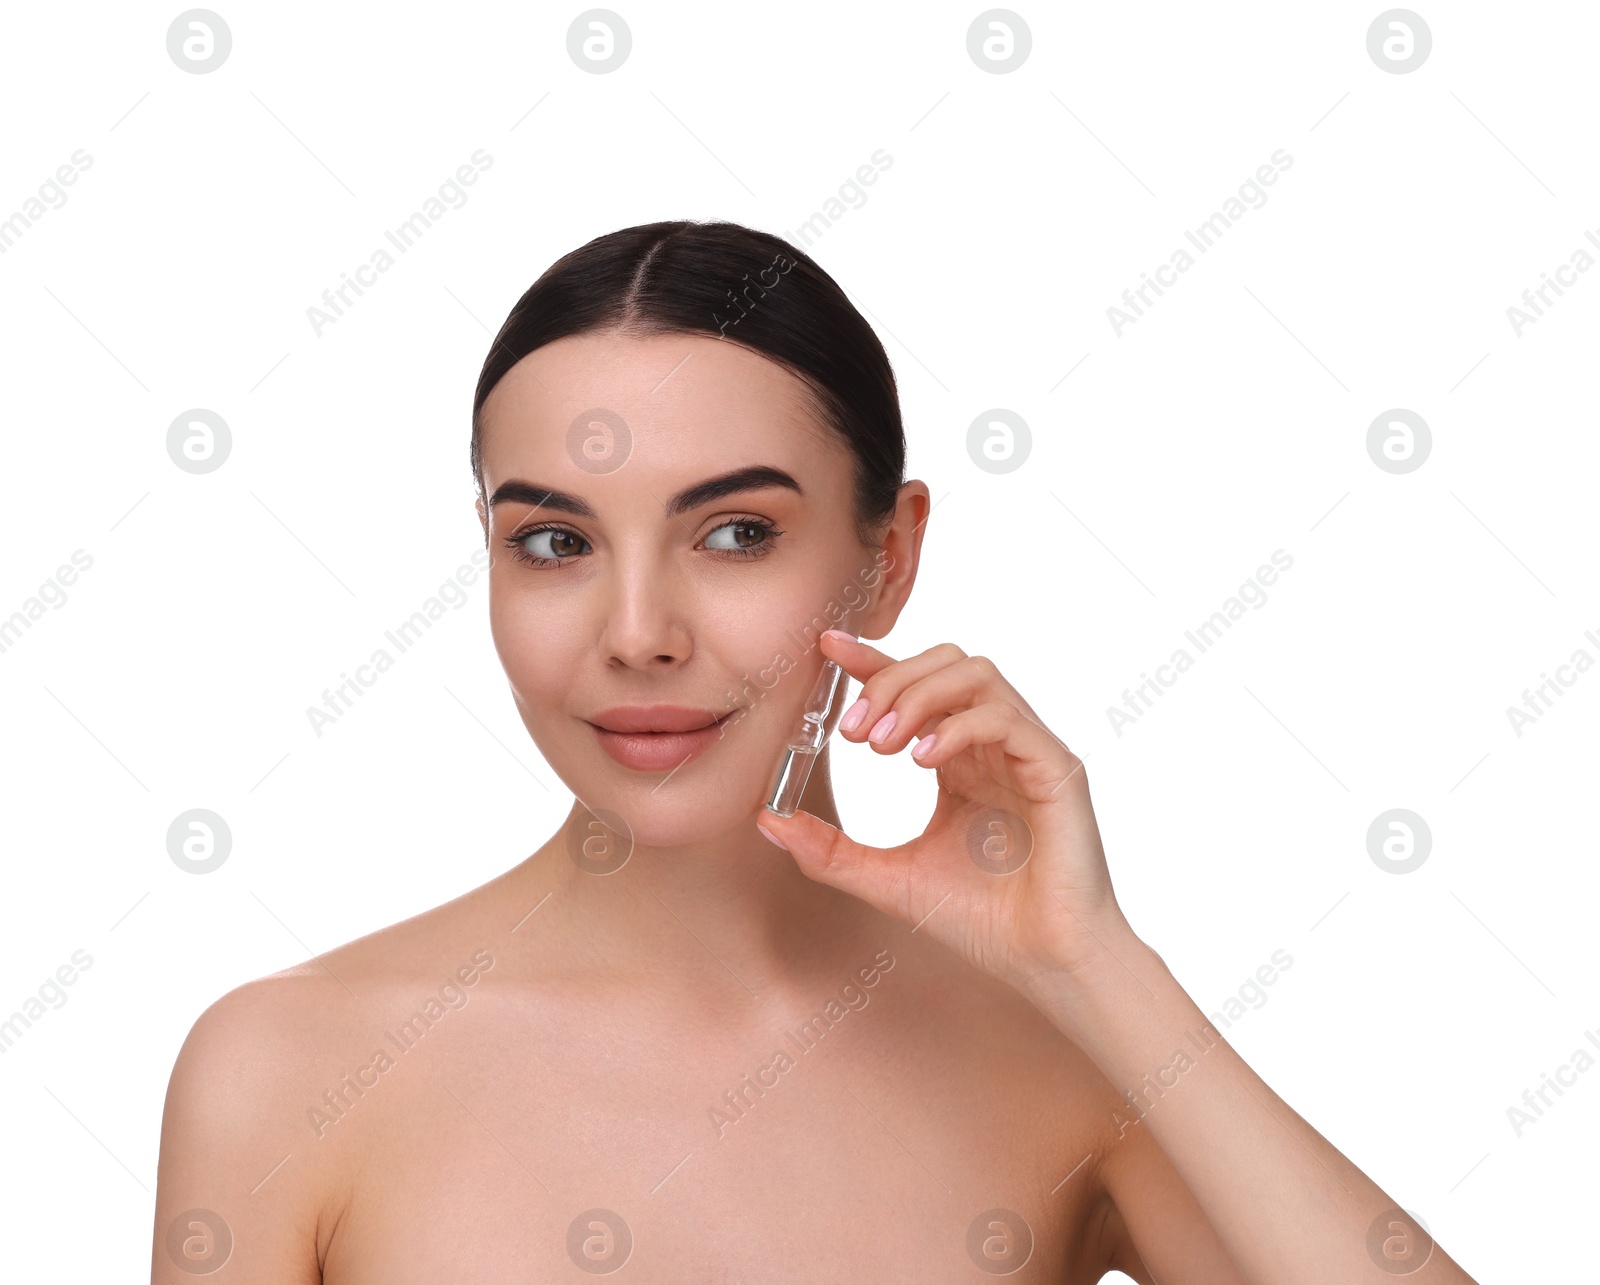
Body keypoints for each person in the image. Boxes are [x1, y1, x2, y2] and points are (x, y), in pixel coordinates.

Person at [152, 220, 1479, 1283]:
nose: (637, 634)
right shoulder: (287, 1069)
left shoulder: (1064, 1050)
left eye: (734, 533)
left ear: (886, 558)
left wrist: (1099, 965)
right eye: (554, 541)